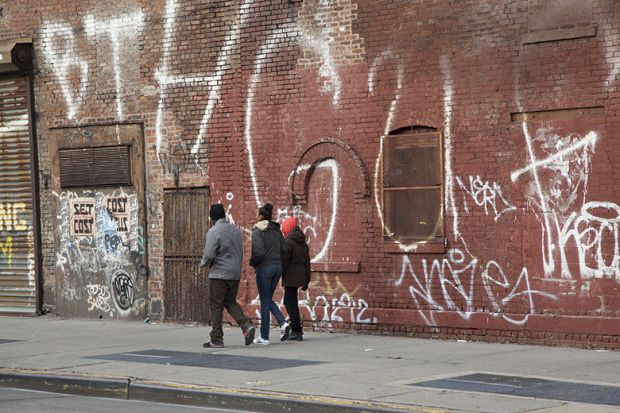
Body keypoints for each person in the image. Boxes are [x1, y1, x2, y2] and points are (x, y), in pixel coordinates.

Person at [200, 204, 255, 348]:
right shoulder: (236, 231)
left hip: (218, 274)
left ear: (212, 217)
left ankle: (216, 339)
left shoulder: (213, 231)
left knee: (216, 305)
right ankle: (246, 326)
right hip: (234, 274)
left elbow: (209, 254)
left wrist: (203, 263)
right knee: (230, 301)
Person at [250, 203, 290, 345]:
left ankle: (278, 326)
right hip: (277, 267)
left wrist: (253, 263)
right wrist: (280, 264)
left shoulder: (257, 231)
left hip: (264, 269)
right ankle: (266, 335)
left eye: (257, 213)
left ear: (260, 216)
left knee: (265, 300)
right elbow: (285, 249)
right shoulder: (276, 230)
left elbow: (259, 252)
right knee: (266, 299)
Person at [281, 217, 311, 341]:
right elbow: (307, 262)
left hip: (290, 276)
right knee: (291, 301)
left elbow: (284, 261)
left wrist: (278, 272)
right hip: (301, 275)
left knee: (290, 302)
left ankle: (296, 330)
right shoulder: (302, 242)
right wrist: (307, 280)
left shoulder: (288, 242)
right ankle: (296, 329)